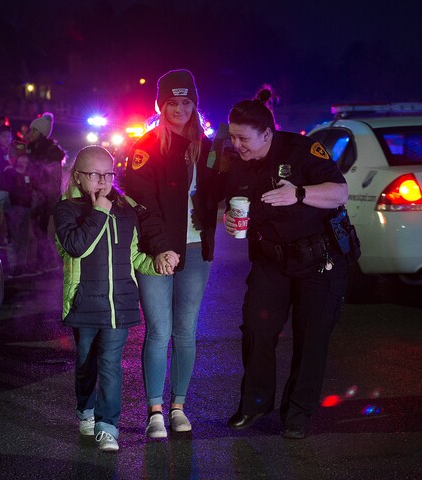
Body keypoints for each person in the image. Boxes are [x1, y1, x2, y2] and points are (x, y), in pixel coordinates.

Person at [222, 88, 349, 440]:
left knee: (311, 339)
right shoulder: (236, 162)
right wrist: (230, 222)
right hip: (271, 260)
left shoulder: (301, 150)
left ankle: (297, 413)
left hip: (318, 260)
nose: (237, 144)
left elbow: (340, 191)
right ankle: (255, 404)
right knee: (256, 330)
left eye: (243, 138)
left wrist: (299, 193)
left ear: (267, 133)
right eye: (232, 135)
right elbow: (235, 206)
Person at [123, 69, 221, 438]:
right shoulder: (145, 147)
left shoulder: (208, 147)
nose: (180, 109)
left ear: (195, 104)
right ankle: (155, 412)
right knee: (159, 330)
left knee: (185, 331)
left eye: (186, 102)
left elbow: (220, 190)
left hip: (196, 249)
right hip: (156, 252)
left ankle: (179, 406)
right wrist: (162, 246)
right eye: (172, 102)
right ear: (161, 105)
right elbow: (141, 203)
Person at [54, 145, 159, 452]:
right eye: (94, 174)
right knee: (86, 363)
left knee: (111, 363)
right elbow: (76, 247)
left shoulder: (125, 209)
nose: (102, 181)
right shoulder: (66, 210)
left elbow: (135, 255)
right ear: (77, 176)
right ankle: (85, 412)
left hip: (120, 304)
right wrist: (99, 210)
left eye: (108, 174)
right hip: (85, 303)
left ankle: (107, 426)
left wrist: (155, 264)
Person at [25, 112, 65, 272]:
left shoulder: (50, 151)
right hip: (36, 195)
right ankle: (43, 260)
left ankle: (47, 261)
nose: (30, 133)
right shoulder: (33, 149)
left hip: (45, 197)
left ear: (41, 133)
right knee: (37, 229)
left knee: (43, 230)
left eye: (34, 131)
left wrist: (48, 198)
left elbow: (54, 179)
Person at [1, 152, 34, 277]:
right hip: (14, 208)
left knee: (24, 238)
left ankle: (21, 265)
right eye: (21, 156)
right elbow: (4, 191)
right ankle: (13, 266)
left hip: (25, 209)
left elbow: (31, 191)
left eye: (25, 157)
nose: (24, 160)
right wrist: (6, 209)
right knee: (13, 238)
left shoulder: (27, 174)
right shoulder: (10, 172)